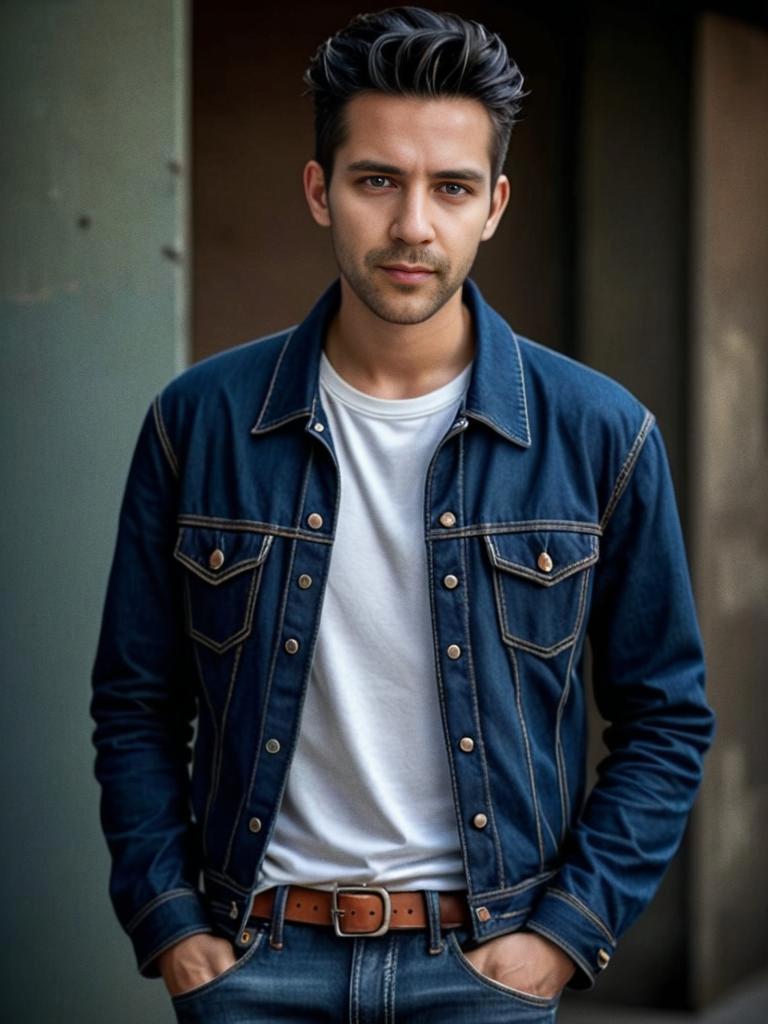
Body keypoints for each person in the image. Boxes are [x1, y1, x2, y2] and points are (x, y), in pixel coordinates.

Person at [91, 7, 715, 1022]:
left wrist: (561, 934)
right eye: (377, 179)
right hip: (255, 961)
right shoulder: (198, 424)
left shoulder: (603, 436)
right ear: (319, 191)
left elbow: (666, 719)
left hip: (482, 970)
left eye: (451, 186)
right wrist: (173, 925)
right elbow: (137, 704)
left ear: (494, 205)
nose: (413, 224)